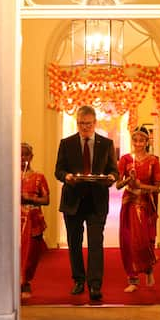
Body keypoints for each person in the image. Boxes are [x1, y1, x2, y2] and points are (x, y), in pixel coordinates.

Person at [55, 105, 118, 301]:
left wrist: (110, 177)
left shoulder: (106, 144)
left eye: (88, 124)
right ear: (77, 123)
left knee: (95, 244)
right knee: (74, 244)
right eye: (82, 124)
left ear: (95, 123)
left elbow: (114, 171)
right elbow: (58, 170)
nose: (85, 127)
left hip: (96, 201)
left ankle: (95, 285)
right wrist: (67, 177)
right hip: (73, 200)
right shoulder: (67, 143)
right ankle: (79, 281)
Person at [116, 126, 160, 292]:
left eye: (141, 140)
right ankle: (132, 279)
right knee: (128, 241)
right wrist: (129, 179)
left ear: (147, 141)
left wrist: (140, 185)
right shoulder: (126, 159)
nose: (138, 143)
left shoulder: (153, 161)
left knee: (144, 241)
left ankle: (149, 269)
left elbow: (157, 187)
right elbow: (118, 184)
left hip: (145, 205)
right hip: (129, 204)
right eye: (135, 140)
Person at [20, 142, 50, 300]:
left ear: (31, 157)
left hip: (33, 220)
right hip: (15, 221)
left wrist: (29, 198)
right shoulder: (11, 176)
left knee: (31, 253)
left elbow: (46, 200)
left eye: (25, 154)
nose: (22, 158)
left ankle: (26, 282)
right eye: (19, 154)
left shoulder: (39, 177)